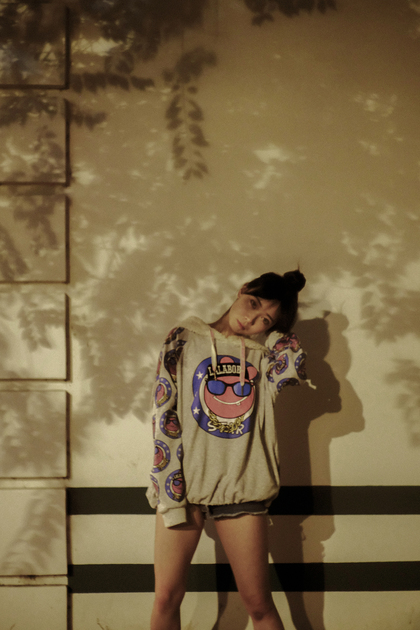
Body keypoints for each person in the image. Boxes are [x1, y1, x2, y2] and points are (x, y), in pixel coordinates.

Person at [147, 270, 308, 630]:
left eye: (265, 319)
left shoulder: (264, 358)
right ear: (242, 290)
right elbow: (164, 412)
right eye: (253, 303)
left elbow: (294, 367)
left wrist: (277, 332)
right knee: (166, 597)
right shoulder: (183, 338)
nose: (251, 320)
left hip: (242, 486)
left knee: (259, 605)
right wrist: (169, 485)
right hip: (182, 486)